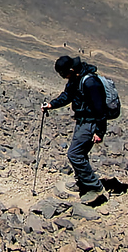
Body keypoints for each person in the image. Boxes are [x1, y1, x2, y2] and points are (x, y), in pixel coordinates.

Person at [41, 55, 108, 205]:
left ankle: (95, 188)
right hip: (82, 121)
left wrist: (99, 132)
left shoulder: (90, 82)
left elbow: (100, 109)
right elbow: (67, 95)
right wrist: (52, 104)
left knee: (75, 154)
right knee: (80, 153)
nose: (62, 77)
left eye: (63, 73)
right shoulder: (75, 78)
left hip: (90, 123)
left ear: (70, 70)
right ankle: (83, 182)